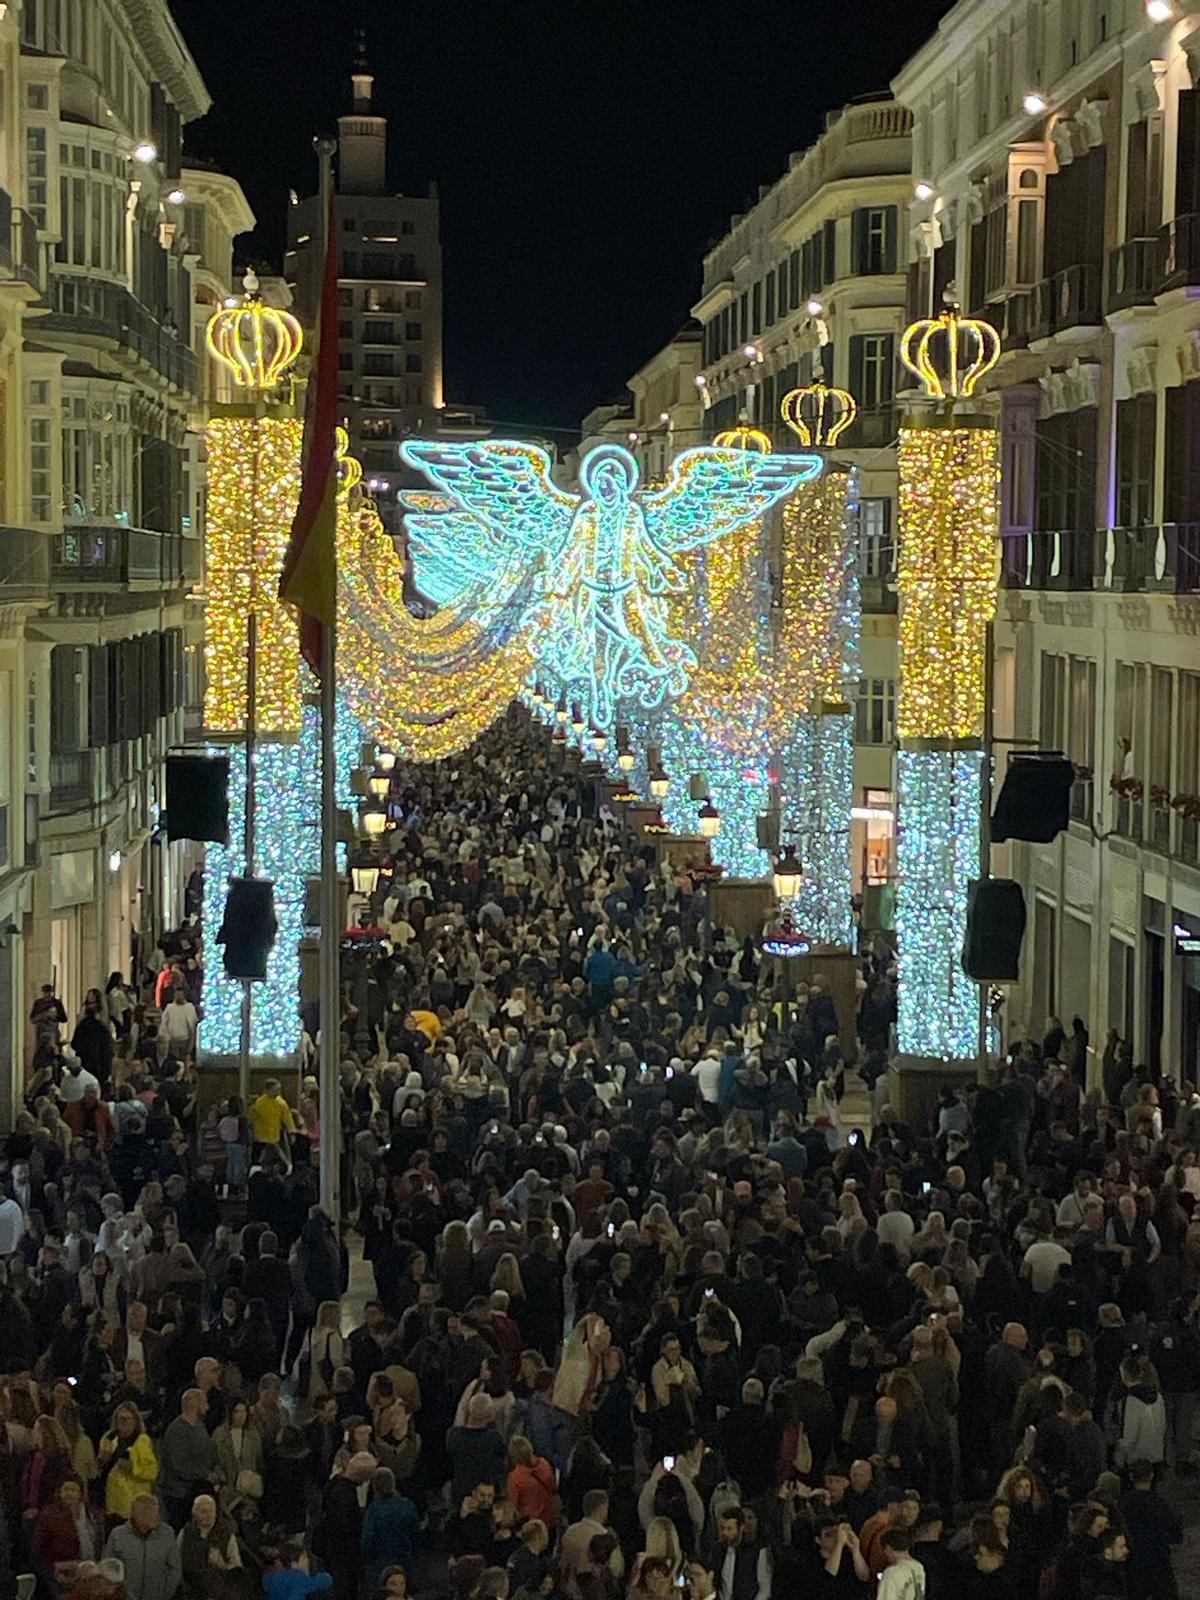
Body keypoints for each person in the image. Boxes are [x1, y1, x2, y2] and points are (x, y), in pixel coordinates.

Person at [103, 1494, 180, 1600]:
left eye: (157, 1513)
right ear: (138, 1515)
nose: (157, 1517)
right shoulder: (117, 1535)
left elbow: (174, 1568)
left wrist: (164, 1594)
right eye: (151, 1513)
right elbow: (108, 1568)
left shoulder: (167, 1534)